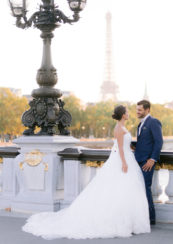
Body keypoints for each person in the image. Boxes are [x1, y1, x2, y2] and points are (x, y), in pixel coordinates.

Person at [22, 105, 150, 240]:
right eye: (127, 112)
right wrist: (124, 163)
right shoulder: (119, 128)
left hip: (127, 158)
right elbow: (119, 148)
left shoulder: (122, 128)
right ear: (123, 115)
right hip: (123, 160)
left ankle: (129, 221)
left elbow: (125, 145)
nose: (129, 113)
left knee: (124, 190)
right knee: (120, 189)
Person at [134, 100, 163, 225]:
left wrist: (152, 159)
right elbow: (143, 142)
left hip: (147, 162)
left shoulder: (153, 122)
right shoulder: (140, 125)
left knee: (145, 188)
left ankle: (151, 219)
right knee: (139, 189)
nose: (137, 112)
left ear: (147, 110)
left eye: (140, 110)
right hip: (138, 160)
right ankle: (143, 217)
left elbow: (159, 142)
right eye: (137, 109)